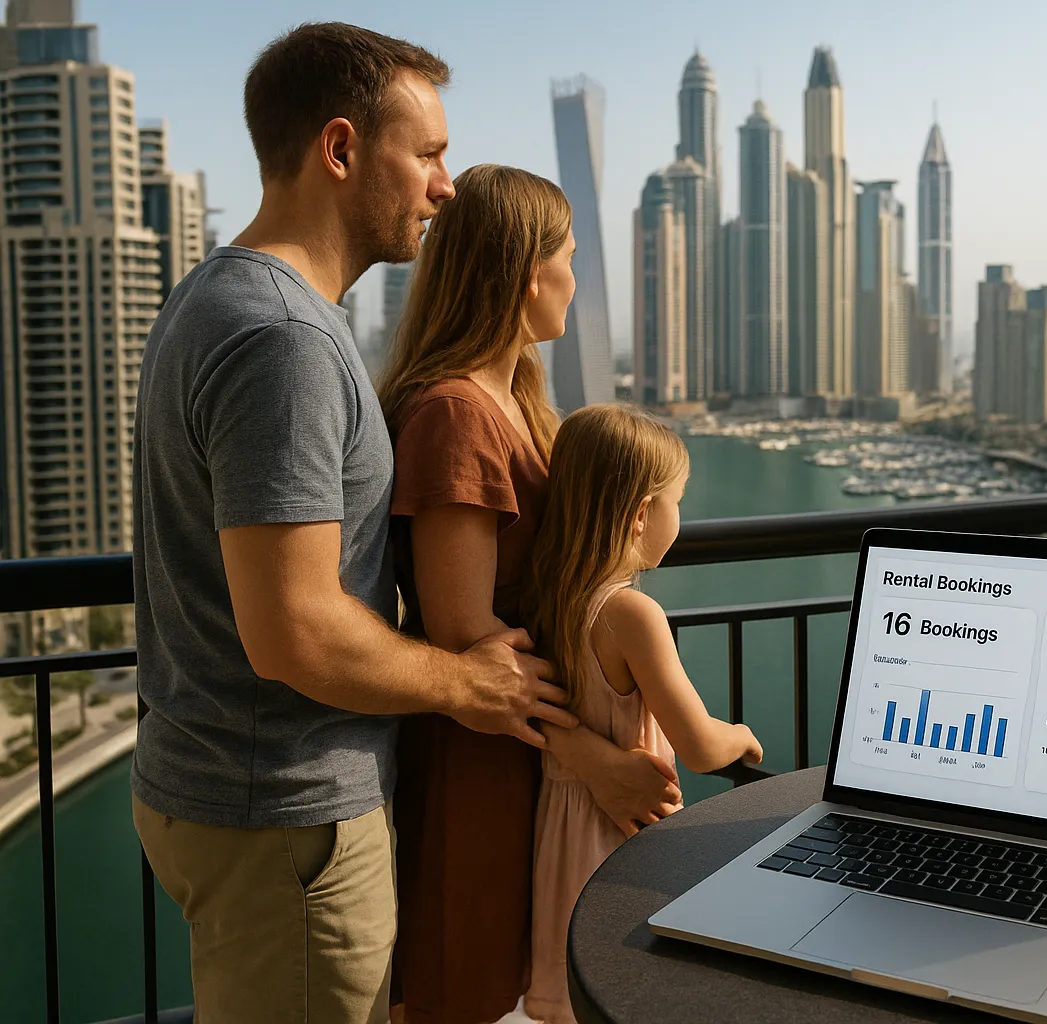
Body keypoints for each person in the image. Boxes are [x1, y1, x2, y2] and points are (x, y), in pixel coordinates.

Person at [128, 24, 581, 1024]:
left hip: (223, 795)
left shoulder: (218, 296)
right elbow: (292, 626)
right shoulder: (283, 340)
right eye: (425, 154)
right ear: (340, 151)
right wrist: (461, 679)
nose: (446, 185)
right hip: (285, 820)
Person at [378, 166, 682, 1024]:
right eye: (571, 259)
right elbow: (474, 644)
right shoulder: (455, 416)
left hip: (532, 763)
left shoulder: (516, 402)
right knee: (467, 990)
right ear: (527, 275)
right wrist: (593, 758)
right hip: (485, 763)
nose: (578, 281)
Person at [520, 405, 764, 1024]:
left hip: (560, 824)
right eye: (678, 500)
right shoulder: (632, 616)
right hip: (621, 832)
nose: (681, 517)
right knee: (627, 980)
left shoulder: (547, 595)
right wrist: (740, 736)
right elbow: (702, 747)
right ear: (639, 516)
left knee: (573, 989)